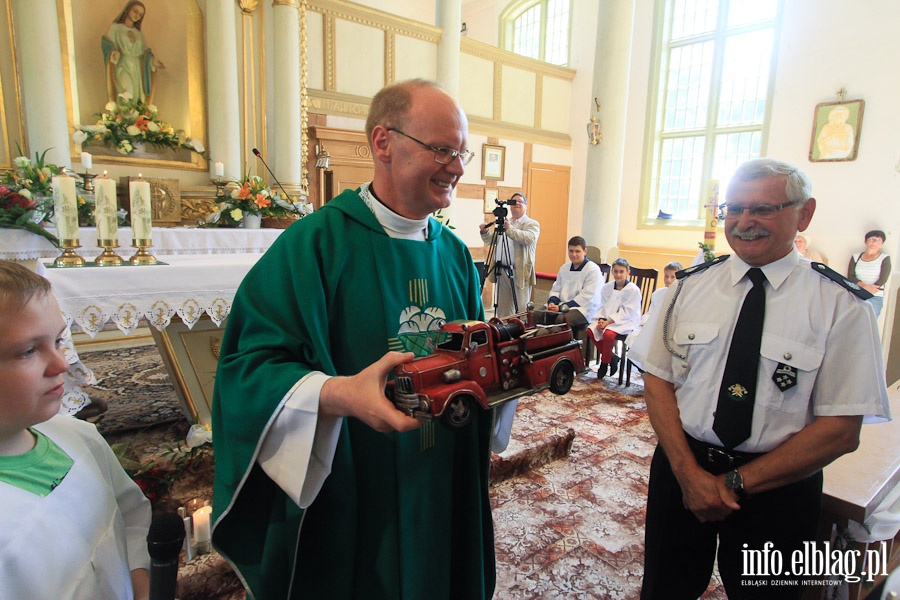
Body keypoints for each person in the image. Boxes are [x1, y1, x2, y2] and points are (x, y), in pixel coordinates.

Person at [211, 79, 498, 600]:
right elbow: (245, 370)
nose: (457, 167)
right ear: (383, 143)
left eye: (461, 152)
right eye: (441, 149)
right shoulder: (315, 245)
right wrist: (339, 394)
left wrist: (510, 369)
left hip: (441, 475)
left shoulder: (456, 255)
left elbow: (478, 355)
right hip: (353, 490)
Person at [630, 158, 890, 598]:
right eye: (734, 209)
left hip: (779, 489)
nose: (744, 222)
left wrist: (733, 484)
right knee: (664, 588)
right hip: (682, 468)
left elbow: (841, 431)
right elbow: (658, 381)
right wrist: (687, 472)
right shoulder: (688, 288)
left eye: (763, 209)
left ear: (804, 214)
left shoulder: (841, 307)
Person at [0, 260, 151, 600]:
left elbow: (132, 518)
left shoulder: (78, 435)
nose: (61, 364)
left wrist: (142, 586)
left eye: (58, 340)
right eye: (28, 351)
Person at [479, 192, 540, 317]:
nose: (516, 204)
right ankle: (503, 332)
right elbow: (493, 240)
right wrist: (485, 232)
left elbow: (528, 238)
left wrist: (509, 229)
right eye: (513, 202)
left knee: (521, 309)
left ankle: (521, 333)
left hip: (520, 271)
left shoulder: (531, 224)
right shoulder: (507, 223)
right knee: (503, 310)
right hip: (502, 271)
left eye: (520, 202)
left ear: (526, 206)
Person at [589, 257, 642, 378]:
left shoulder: (633, 290)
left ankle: (604, 362)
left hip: (626, 320)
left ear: (628, 272)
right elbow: (603, 306)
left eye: (621, 271)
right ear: (612, 271)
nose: (618, 274)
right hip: (607, 318)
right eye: (616, 271)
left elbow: (628, 312)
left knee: (609, 334)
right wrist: (601, 320)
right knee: (591, 330)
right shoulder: (607, 288)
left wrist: (608, 322)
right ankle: (612, 357)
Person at [103, 1, 165, 103]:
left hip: (137, 68)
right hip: (123, 63)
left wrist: (152, 61)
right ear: (127, 10)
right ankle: (122, 114)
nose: (137, 16)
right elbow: (107, 44)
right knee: (126, 89)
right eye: (135, 11)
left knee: (136, 96)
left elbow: (144, 53)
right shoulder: (115, 28)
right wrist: (113, 52)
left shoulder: (138, 34)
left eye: (140, 15)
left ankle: (135, 115)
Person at [545, 236, 604, 330]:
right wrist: (552, 303)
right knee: (539, 314)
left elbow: (587, 297)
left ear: (585, 251)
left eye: (577, 251)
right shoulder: (565, 268)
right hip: (562, 304)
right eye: (571, 251)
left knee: (562, 319)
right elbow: (556, 288)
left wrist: (560, 308)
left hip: (584, 309)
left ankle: (568, 344)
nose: (574, 254)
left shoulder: (592, 270)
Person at [624, 261, 682, 349]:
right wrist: (645, 323)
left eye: (672, 277)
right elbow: (651, 312)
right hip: (654, 324)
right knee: (635, 336)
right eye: (666, 276)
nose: (668, 280)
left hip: (669, 328)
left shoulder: (681, 295)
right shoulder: (658, 294)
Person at [848, 229, 891, 317]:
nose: (874, 243)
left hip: (875, 295)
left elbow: (884, 277)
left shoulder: (884, 258)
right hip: (856, 294)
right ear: (865, 242)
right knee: (853, 320)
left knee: (870, 322)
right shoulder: (856, 257)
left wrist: (872, 289)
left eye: (878, 240)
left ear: (882, 244)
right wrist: (864, 287)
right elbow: (850, 276)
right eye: (872, 239)